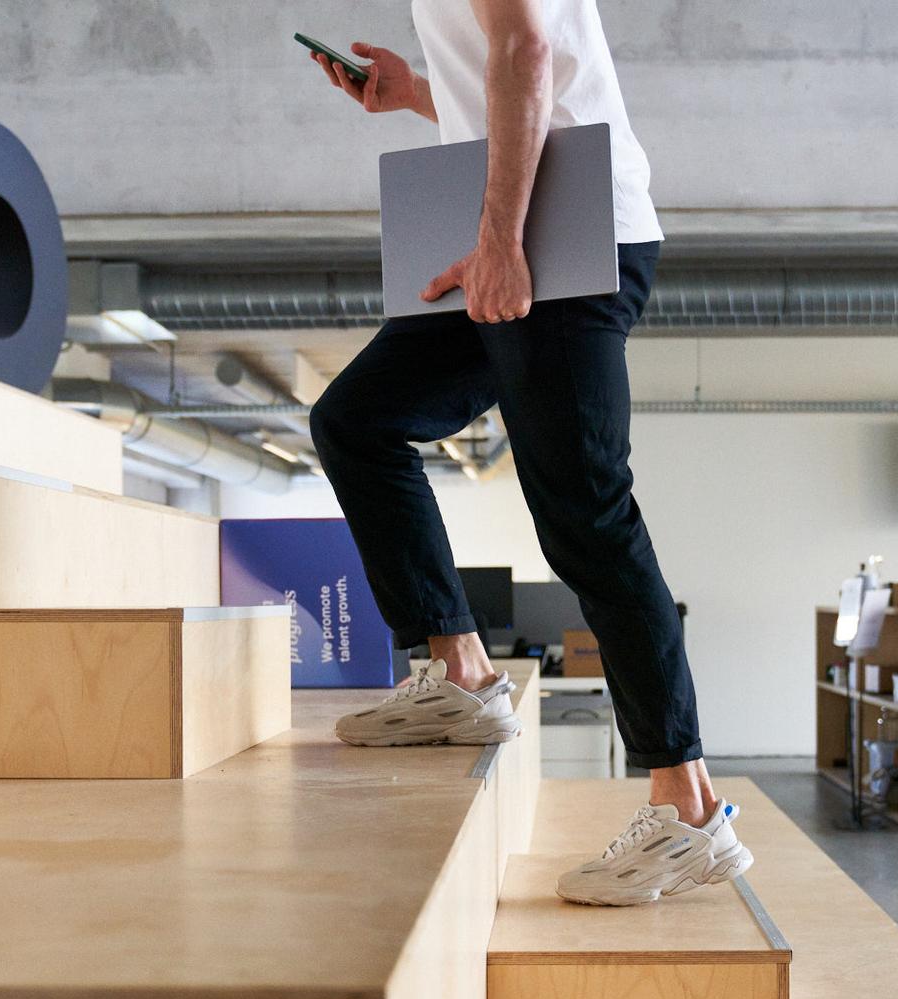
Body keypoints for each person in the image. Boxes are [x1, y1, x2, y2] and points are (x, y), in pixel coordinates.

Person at [305, 0, 750, 907]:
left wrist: (502, 240)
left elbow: (526, 47)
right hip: (515, 222)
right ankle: (463, 674)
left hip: (568, 230)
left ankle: (690, 810)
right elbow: (512, 71)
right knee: (359, 421)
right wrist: (419, 95)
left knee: (586, 511)